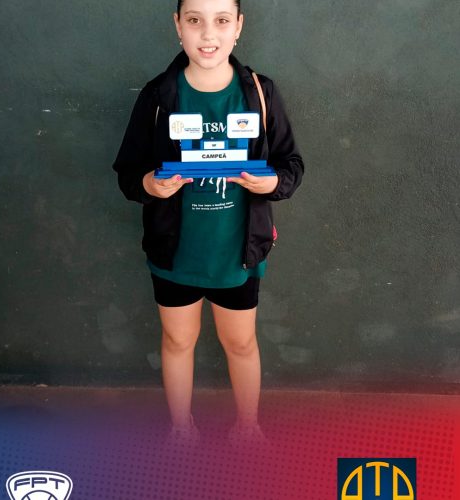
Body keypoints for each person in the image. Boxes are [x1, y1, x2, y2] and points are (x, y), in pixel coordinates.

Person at [112, 0, 304, 446]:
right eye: (195, 21)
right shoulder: (158, 95)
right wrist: (150, 185)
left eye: (221, 20)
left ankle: (248, 427)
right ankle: (181, 428)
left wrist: (271, 182)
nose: (208, 34)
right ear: (178, 26)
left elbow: (291, 164)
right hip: (175, 252)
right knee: (178, 342)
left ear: (238, 26)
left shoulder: (260, 93)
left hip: (237, 253)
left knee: (241, 344)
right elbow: (128, 172)